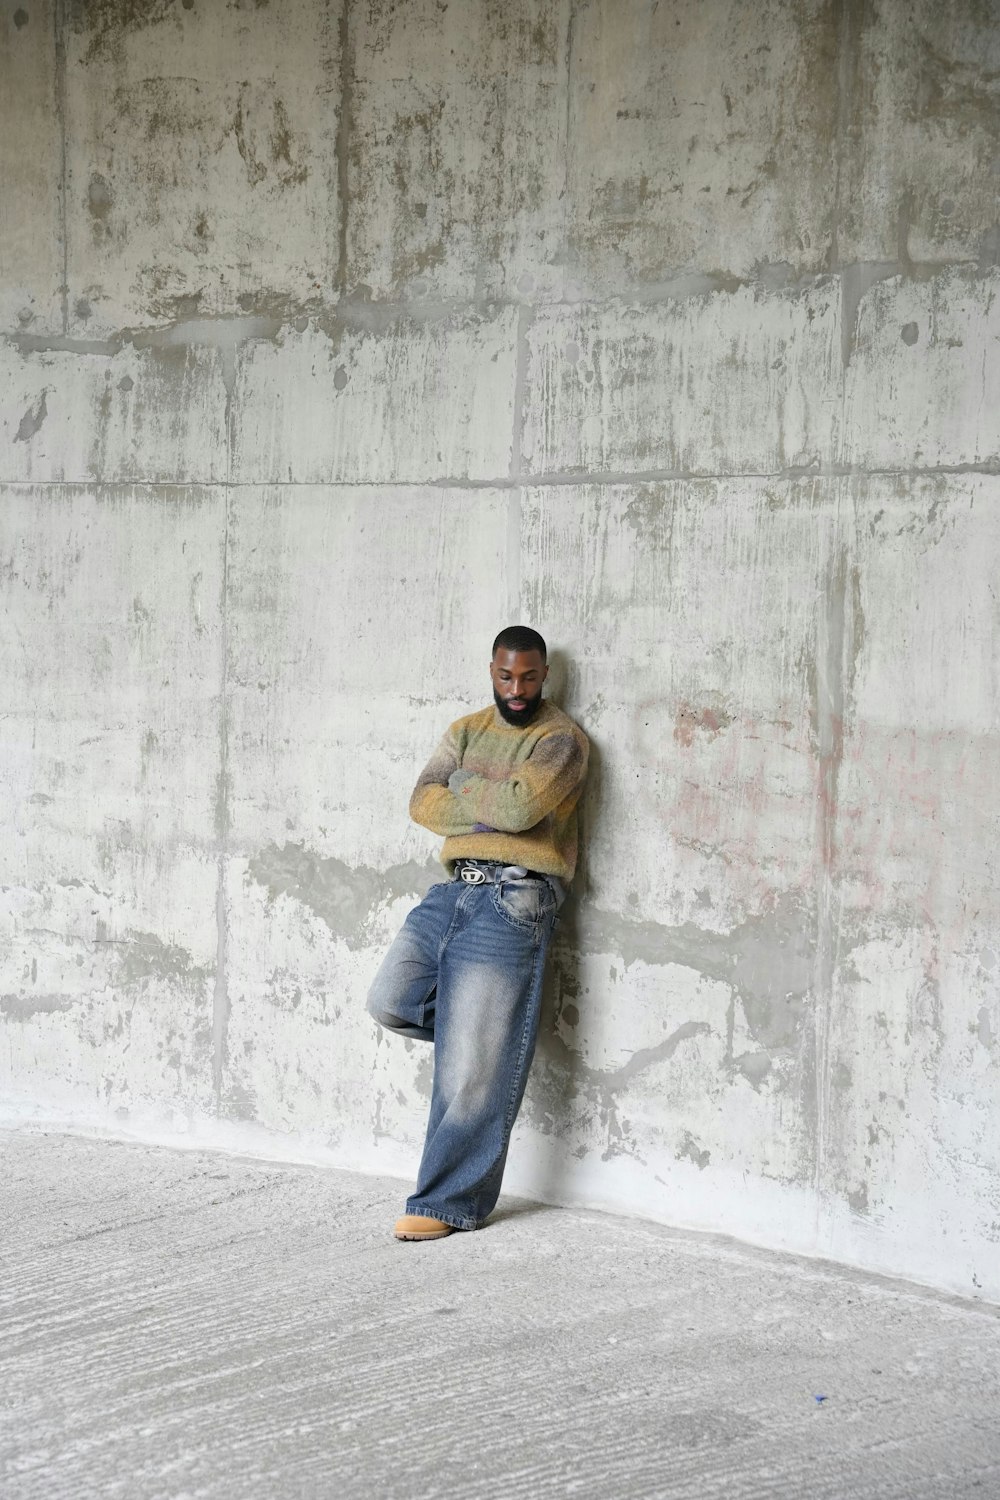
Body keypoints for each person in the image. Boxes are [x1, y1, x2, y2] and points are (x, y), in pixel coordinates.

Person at [367, 625, 589, 1241]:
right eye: (505, 676)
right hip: (452, 891)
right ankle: (487, 1041)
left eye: (529, 677)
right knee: (389, 1001)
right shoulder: (465, 730)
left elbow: (522, 812)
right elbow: (421, 801)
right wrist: (487, 794)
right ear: (490, 669)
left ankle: (445, 1203)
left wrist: (461, 786)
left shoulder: (561, 740)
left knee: (473, 1065)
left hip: (517, 896)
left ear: (545, 675)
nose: (516, 689)